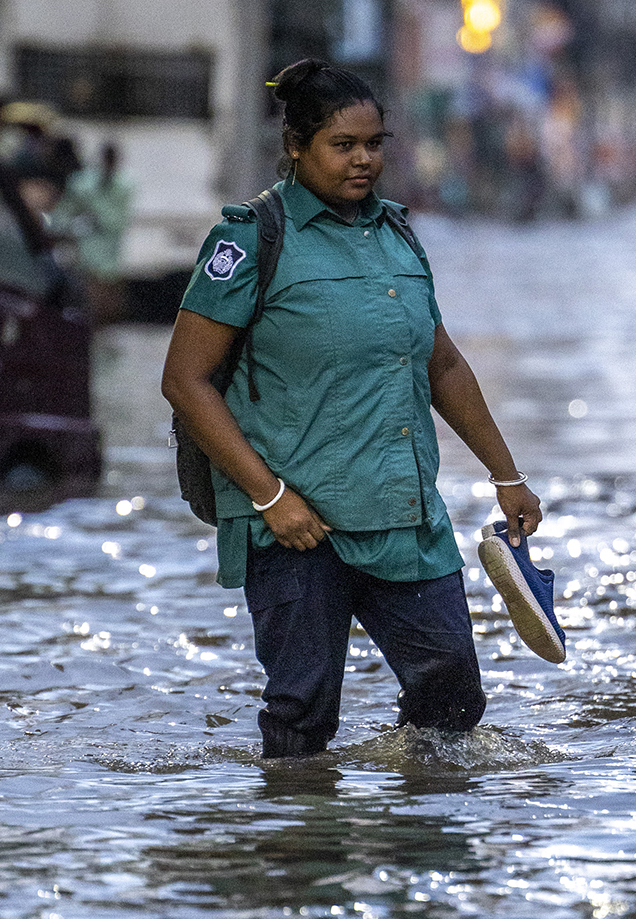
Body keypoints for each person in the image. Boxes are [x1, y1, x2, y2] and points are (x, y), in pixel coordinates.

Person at [160, 59, 542, 759]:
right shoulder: (250, 240)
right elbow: (185, 381)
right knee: (302, 716)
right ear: (298, 147)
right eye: (344, 145)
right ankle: (302, 850)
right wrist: (270, 496)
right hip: (297, 526)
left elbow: (443, 363)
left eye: (375, 143)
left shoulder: (396, 234)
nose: (365, 159)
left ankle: (415, 838)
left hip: (403, 514)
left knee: (453, 699)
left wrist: (505, 474)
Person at [47, 142, 134, 324]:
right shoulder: (82, 184)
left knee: (111, 313)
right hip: (87, 260)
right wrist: (73, 228)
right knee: (91, 311)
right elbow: (61, 217)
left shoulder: (125, 185)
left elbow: (118, 222)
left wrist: (94, 215)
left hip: (112, 261)